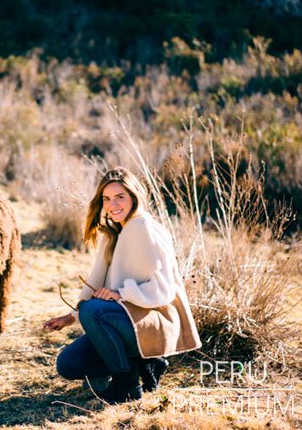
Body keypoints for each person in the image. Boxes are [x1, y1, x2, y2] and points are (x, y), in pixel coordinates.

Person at [43, 167, 202, 404]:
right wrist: (71, 316)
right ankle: (145, 364)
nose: (112, 204)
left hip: (154, 320)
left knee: (93, 310)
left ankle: (126, 383)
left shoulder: (143, 228)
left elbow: (164, 289)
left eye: (120, 197)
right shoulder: (116, 233)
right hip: (129, 320)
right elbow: (97, 284)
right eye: (106, 199)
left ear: (134, 197)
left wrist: (121, 294)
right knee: (68, 364)